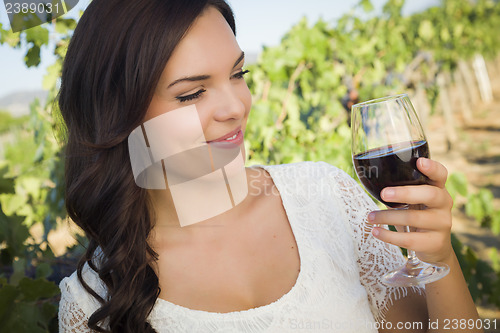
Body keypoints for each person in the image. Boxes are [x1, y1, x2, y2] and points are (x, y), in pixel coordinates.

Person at [57, 0, 481, 332]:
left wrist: (439, 255)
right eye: (192, 94)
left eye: (238, 74)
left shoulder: (328, 197)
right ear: (118, 115)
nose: (236, 106)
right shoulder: (91, 303)